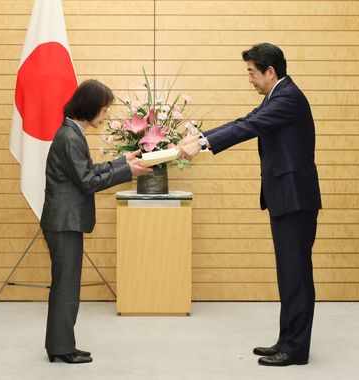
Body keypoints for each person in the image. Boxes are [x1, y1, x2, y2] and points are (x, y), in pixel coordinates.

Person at [178, 43, 321, 366]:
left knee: (296, 274)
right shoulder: (277, 97)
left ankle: (295, 350)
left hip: (295, 199)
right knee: (289, 273)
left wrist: (202, 144)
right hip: (286, 197)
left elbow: (248, 128)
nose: (250, 80)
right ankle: (287, 340)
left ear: (270, 72)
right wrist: (199, 138)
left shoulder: (288, 98)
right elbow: (244, 119)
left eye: (252, 73)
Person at [40, 79, 152, 364]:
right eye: (102, 111)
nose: (104, 117)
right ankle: (61, 347)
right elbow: (88, 181)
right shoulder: (69, 136)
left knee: (67, 285)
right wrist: (128, 172)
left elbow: (86, 171)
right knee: (66, 287)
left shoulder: (72, 133)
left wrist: (121, 162)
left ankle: (61, 344)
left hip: (66, 221)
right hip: (64, 222)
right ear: (89, 108)